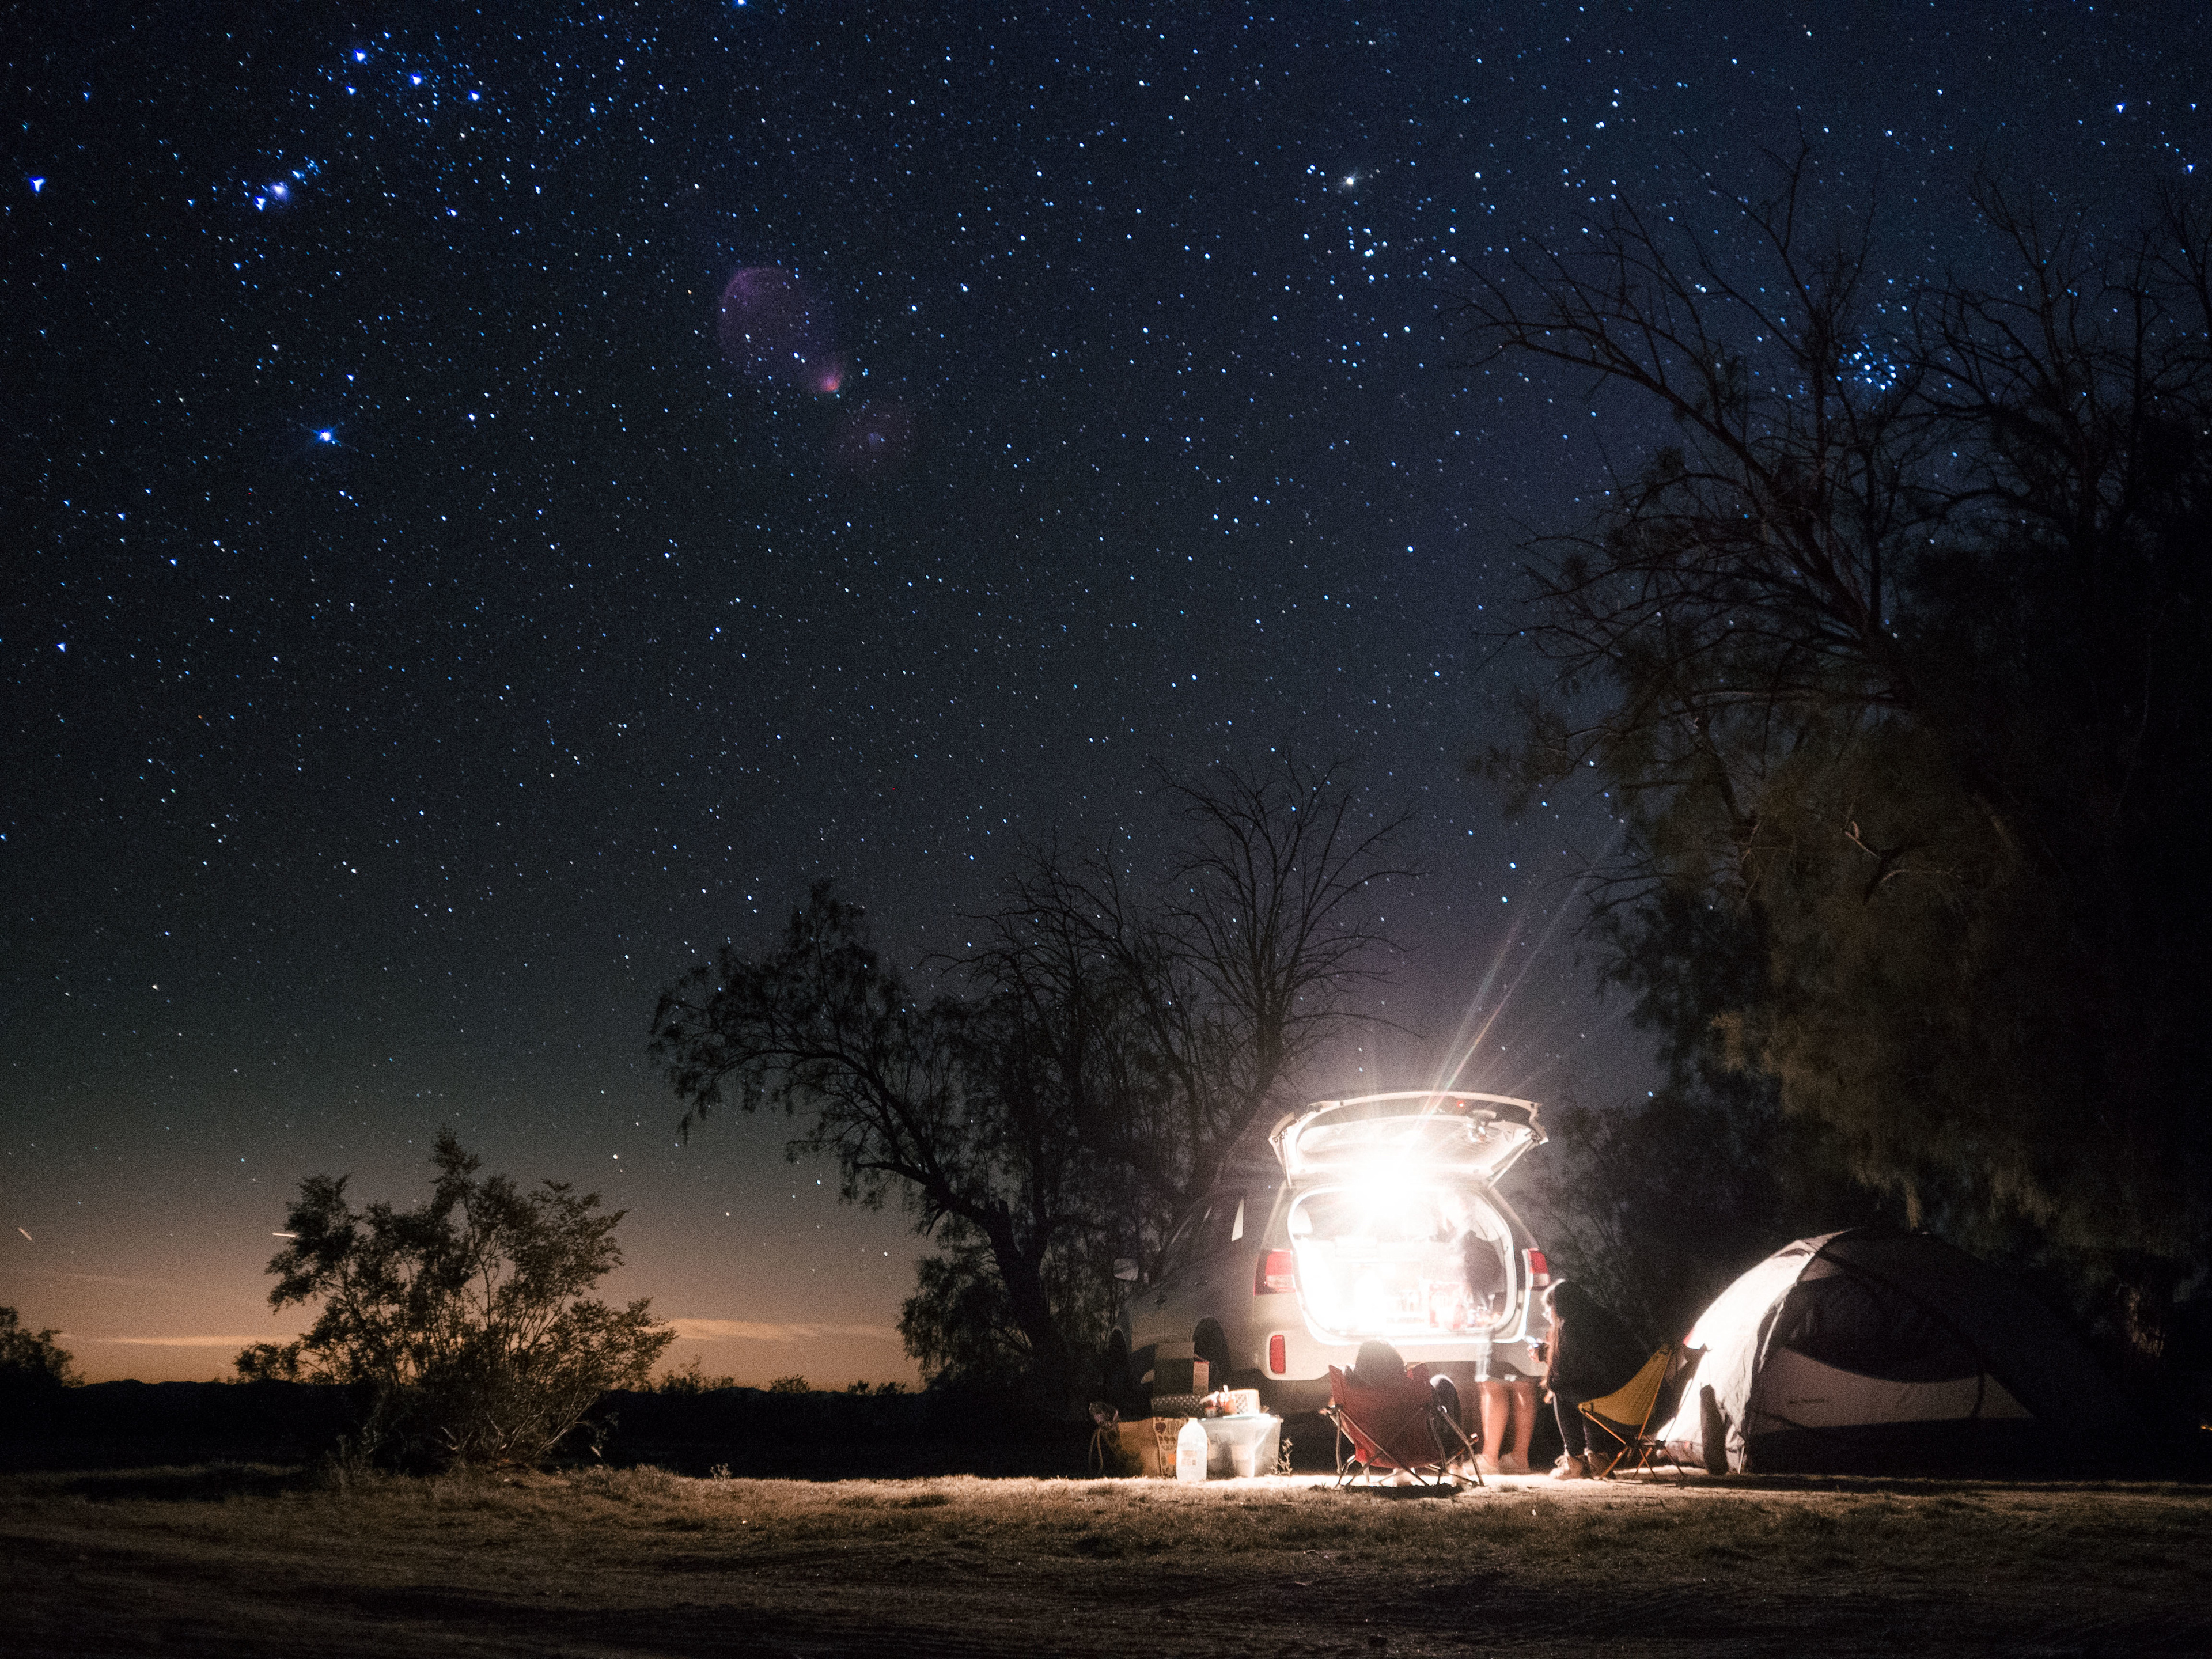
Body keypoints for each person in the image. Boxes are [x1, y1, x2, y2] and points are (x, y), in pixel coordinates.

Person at [1537, 1281, 1645, 1479]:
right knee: (1584, 1390)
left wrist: (1546, 1355)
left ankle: (1575, 1460)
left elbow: (1571, 1375)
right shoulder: (1604, 1319)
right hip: (1640, 1400)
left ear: (1558, 1308)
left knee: (1560, 1388)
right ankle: (1597, 1457)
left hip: (1615, 1404)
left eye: (1548, 1312)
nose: (1549, 1318)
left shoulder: (1572, 1328)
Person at [1459, 1232, 1539, 1474]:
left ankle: (1490, 1458)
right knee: (1523, 1382)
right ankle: (1519, 1458)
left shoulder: (1476, 1233)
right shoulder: (1516, 1234)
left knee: (1491, 1384)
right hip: (1523, 1303)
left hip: (1499, 1310)